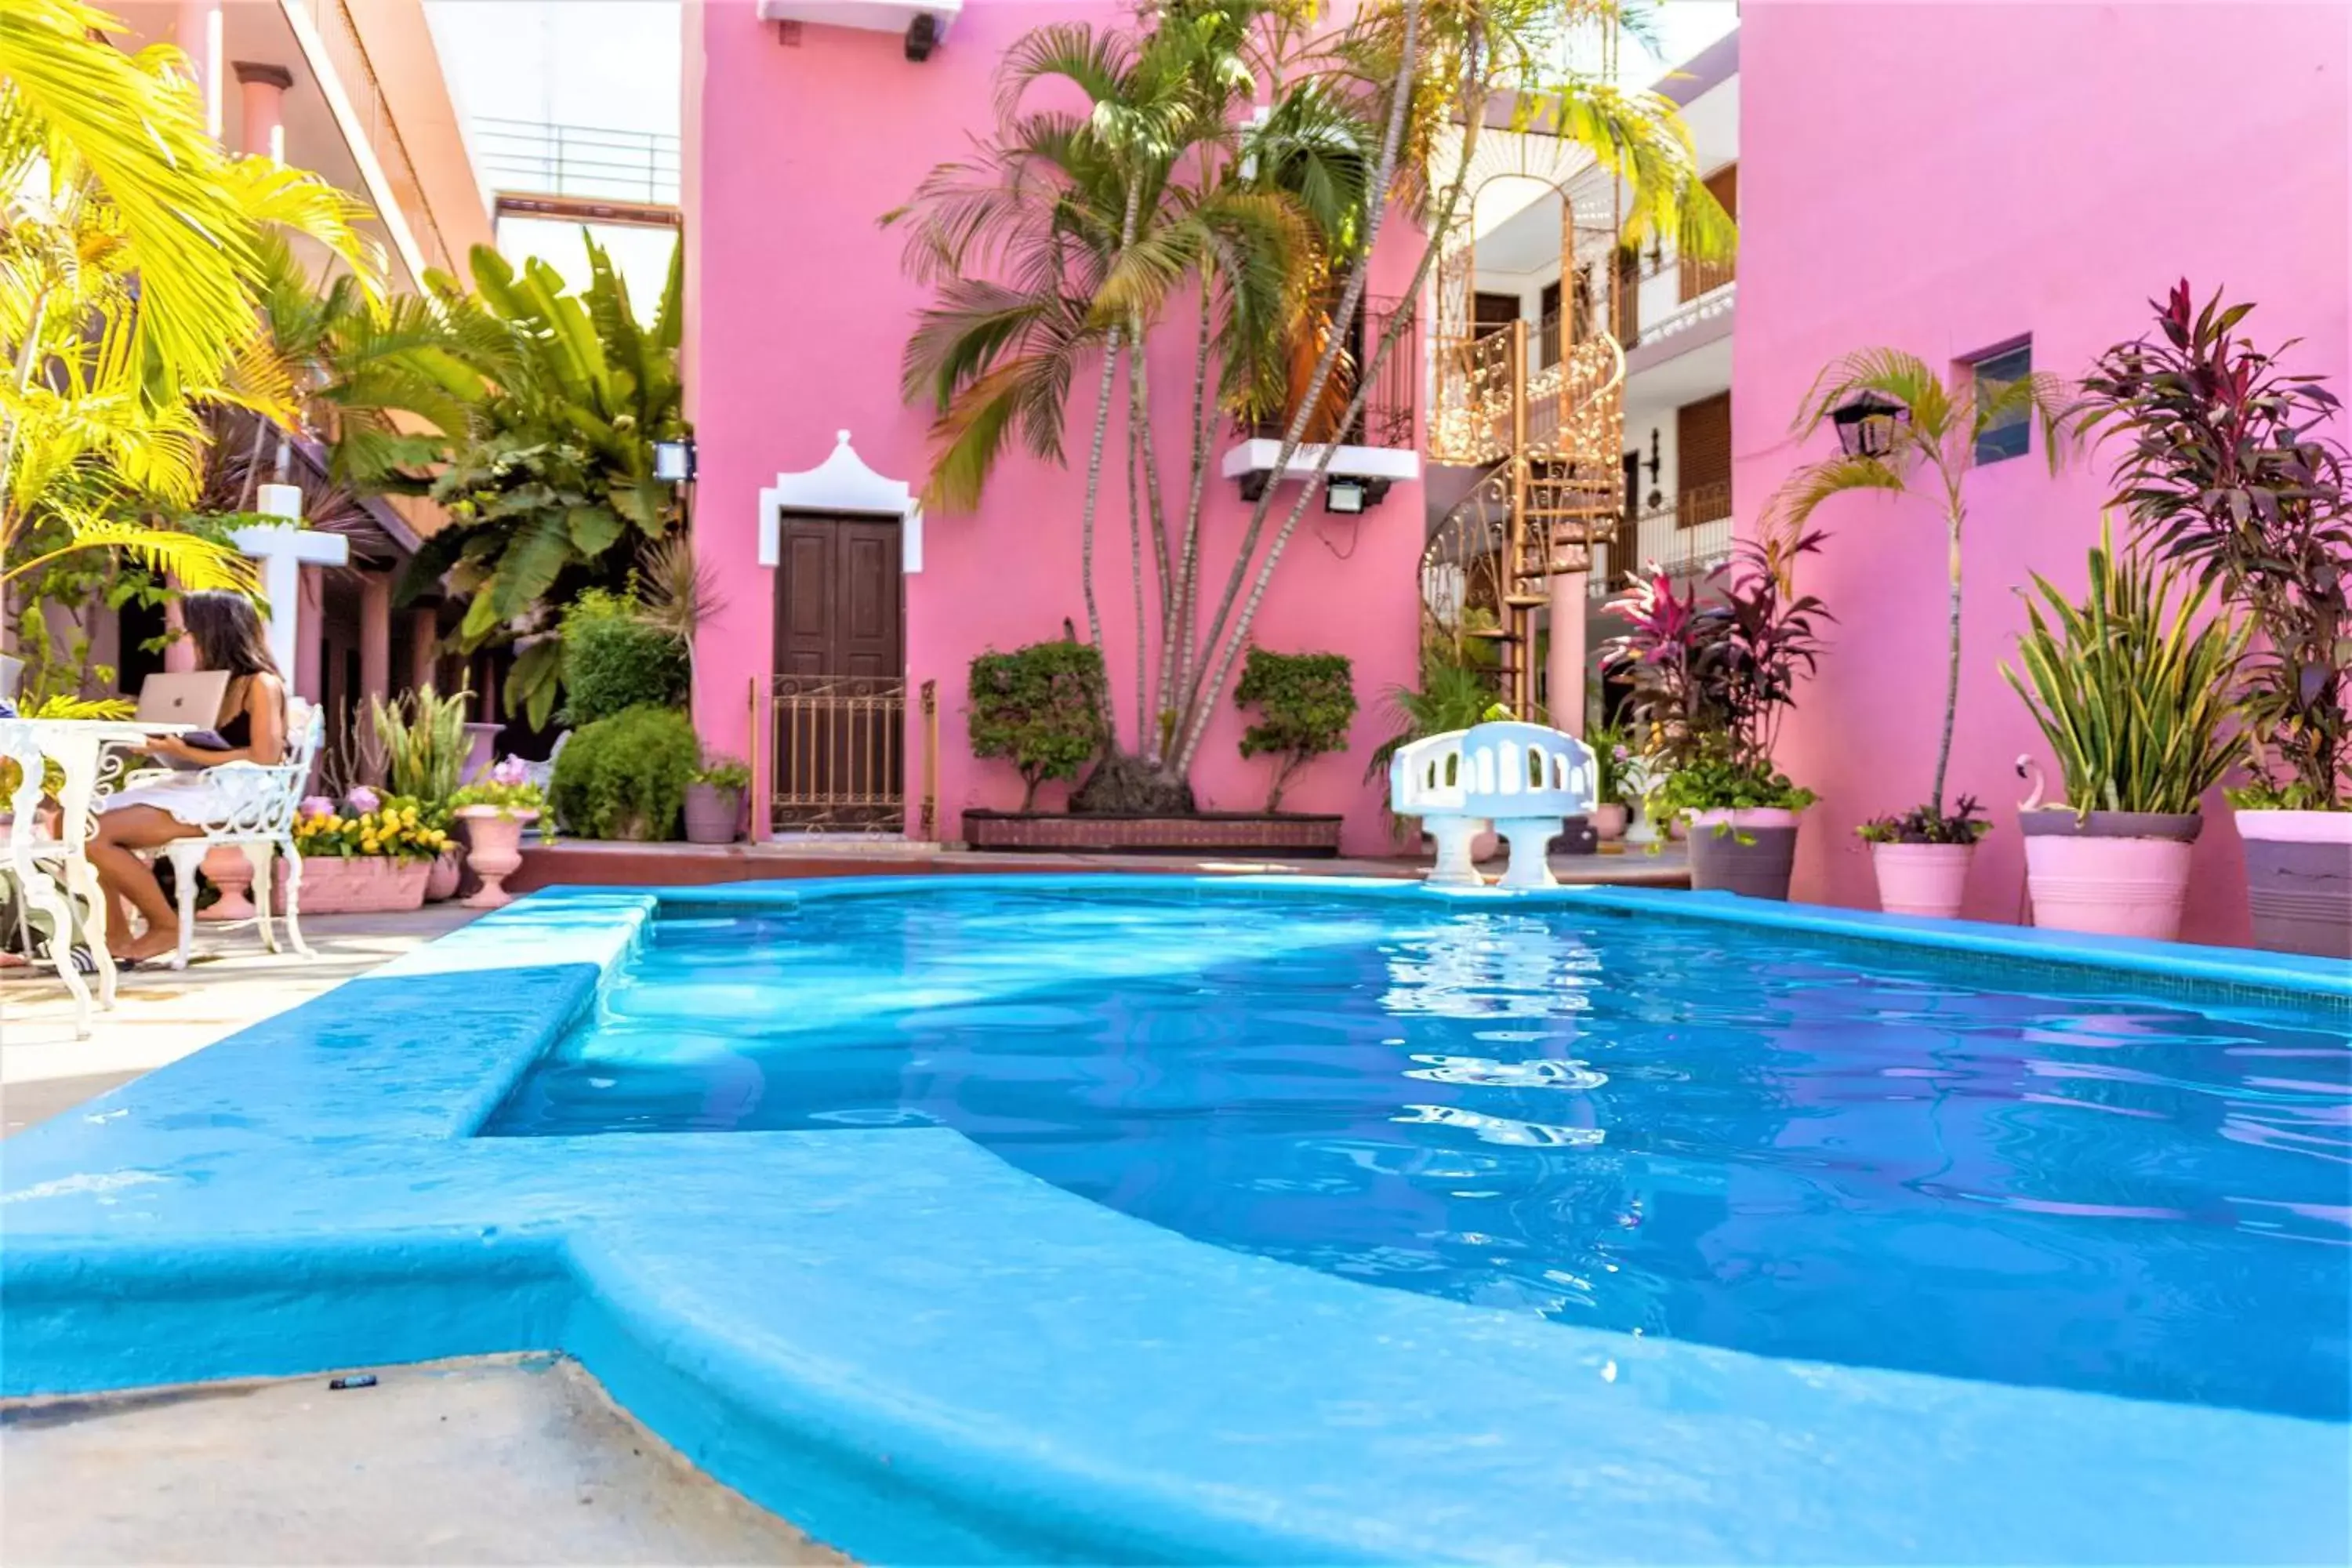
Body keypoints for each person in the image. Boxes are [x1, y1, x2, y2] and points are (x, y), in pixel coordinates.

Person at [91, 592, 289, 964]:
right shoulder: (211, 684)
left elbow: (266, 756)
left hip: (242, 792)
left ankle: (165, 926)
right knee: (78, 824)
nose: (189, 639)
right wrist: (165, 747)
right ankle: (114, 937)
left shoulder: (260, 684)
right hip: (201, 783)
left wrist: (188, 753)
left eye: (195, 632)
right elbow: (202, 749)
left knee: (95, 832)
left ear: (218, 632)